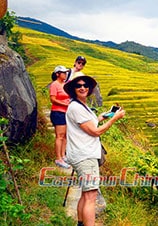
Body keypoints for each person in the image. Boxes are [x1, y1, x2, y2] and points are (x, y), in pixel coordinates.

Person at [63, 73, 125, 226]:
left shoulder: (80, 105)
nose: (83, 87)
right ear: (73, 89)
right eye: (79, 86)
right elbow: (95, 131)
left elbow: (89, 123)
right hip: (85, 156)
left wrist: (102, 117)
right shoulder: (76, 107)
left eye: (85, 85)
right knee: (91, 197)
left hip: (82, 154)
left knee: (85, 194)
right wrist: (114, 119)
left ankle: (80, 223)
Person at [49, 65, 70, 169]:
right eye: (63, 72)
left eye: (66, 72)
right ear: (58, 74)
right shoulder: (55, 85)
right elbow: (52, 99)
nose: (65, 74)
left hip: (66, 113)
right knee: (60, 136)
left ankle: (63, 155)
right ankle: (58, 158)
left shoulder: (65, 85)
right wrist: (64, 104)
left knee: (65, 136)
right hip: (58, 112)